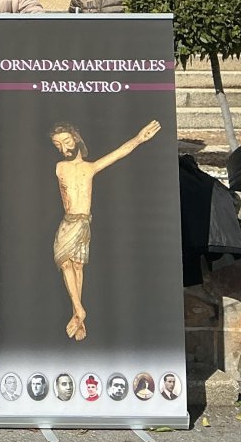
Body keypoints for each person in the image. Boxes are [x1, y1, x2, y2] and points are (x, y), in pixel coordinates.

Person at [49, 119, 160, 341]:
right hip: (67, 221)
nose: (64, 148)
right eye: (58, 145)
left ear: (76, 139)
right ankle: (80, 309)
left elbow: (118, 153)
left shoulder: (90, 168)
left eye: (67, 141)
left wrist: (139, 138)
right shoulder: (60, 167)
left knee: (77, 266)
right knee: (64, 262)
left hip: (82, 222)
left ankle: (78, 317)